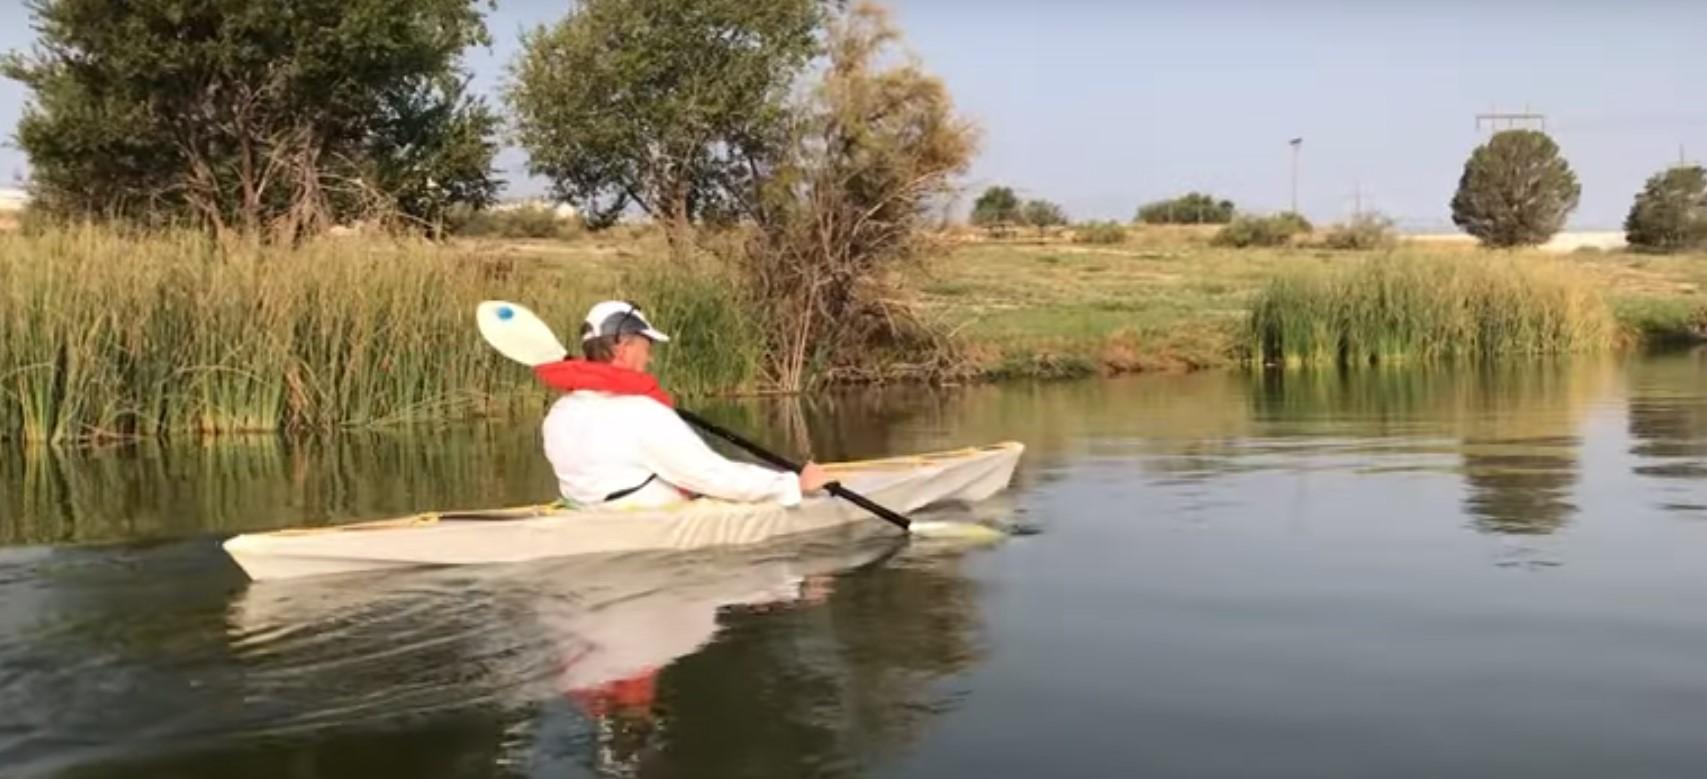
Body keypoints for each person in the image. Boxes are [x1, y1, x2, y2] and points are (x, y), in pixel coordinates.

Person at [535, 300, 830, 509]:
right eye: (646, 348)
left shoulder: (560, 413)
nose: (649, 359)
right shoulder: (641, 413)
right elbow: (711, 476)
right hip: (652, 528)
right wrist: (793, 485)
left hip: (592, 515)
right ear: (623, 348)